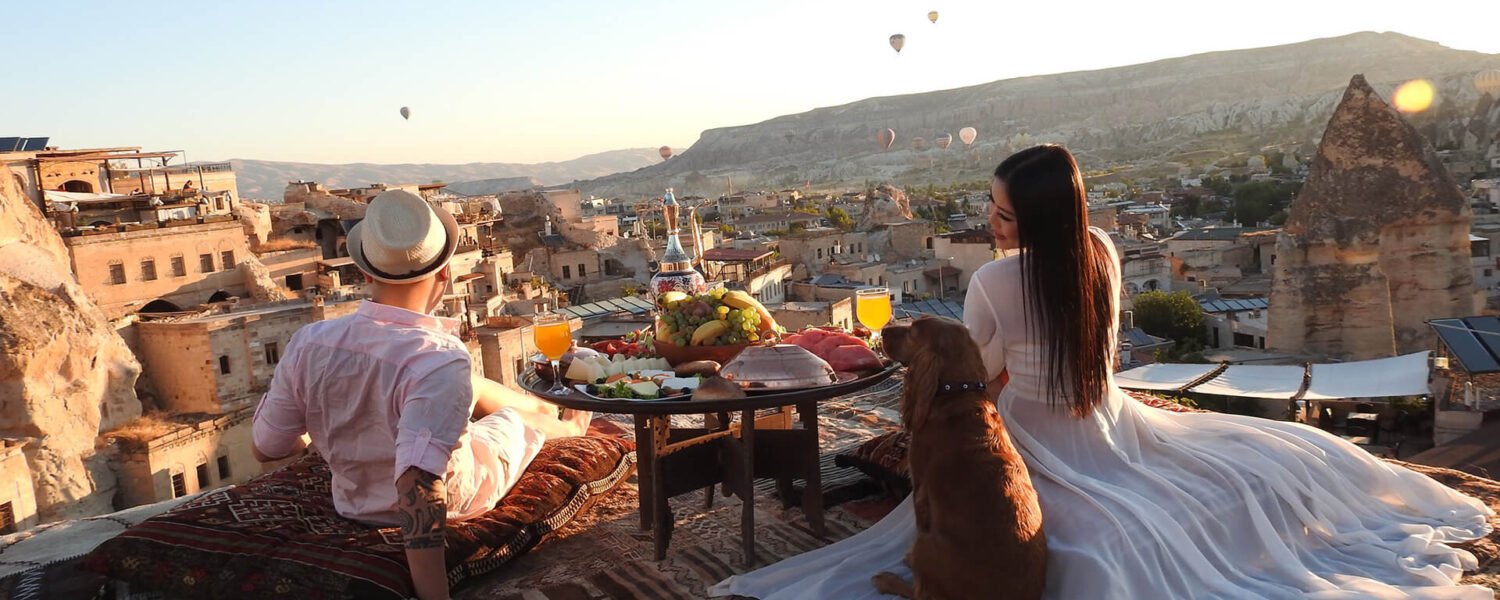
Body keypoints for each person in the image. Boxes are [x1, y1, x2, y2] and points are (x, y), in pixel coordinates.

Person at [712, 145, 1493, 599]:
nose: (992, 223)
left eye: (1005, 215)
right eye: (994, 207)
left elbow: (976, 384)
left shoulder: (992, 282)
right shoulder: (1104, 253)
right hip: (1110, 417)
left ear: (1038, 219)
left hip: (1035, 436)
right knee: (1246, 469)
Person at [251, 189, 590, 600]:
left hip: (353, 502)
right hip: (462, 493)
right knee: (514, 421)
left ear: (366, 273)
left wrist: (324, 427)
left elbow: (267, 446)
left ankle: (545, 412)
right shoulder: (439, 358)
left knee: (470, 389)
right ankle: (566, 425)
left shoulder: (310, 342)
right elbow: (420, 483)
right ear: (444, 274)